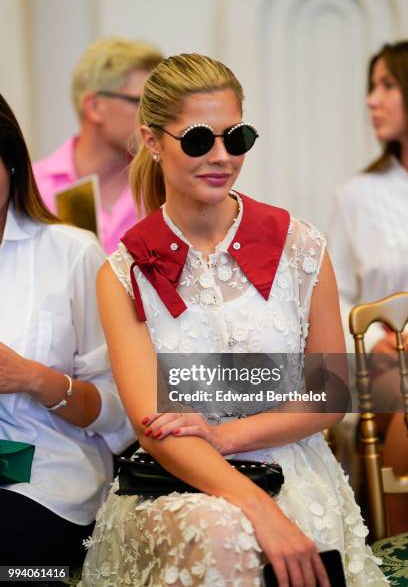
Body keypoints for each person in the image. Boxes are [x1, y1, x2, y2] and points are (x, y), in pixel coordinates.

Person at [80, 54, 387, 586]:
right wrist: (257, 508)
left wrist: (225, 436)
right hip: (175, 480)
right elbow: (154, 429)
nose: (221, 157)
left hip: (294, 470)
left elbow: (329, 396)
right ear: (153, 142)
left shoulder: (300, 246)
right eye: (199, 140)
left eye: (236, 137)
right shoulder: (124, 271)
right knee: (221, 530)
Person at [0, 94, 135, 566]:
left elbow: (122, 408)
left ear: (10, 163)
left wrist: (33, 379)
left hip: (50, 481)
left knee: (12, 551)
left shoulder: (71, 254)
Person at [329, 41, 408, 535]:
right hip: (383, 362)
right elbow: (331, 295)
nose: (371, 100)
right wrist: (374, 333)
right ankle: (397, 549)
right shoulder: (357, 195)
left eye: (388, 85)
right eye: (371, 87)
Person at [33, 37, 163, 253]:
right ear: (94, 107)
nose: (154, 116)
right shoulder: (32, 188)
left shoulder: (161, 186)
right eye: (141, 102)